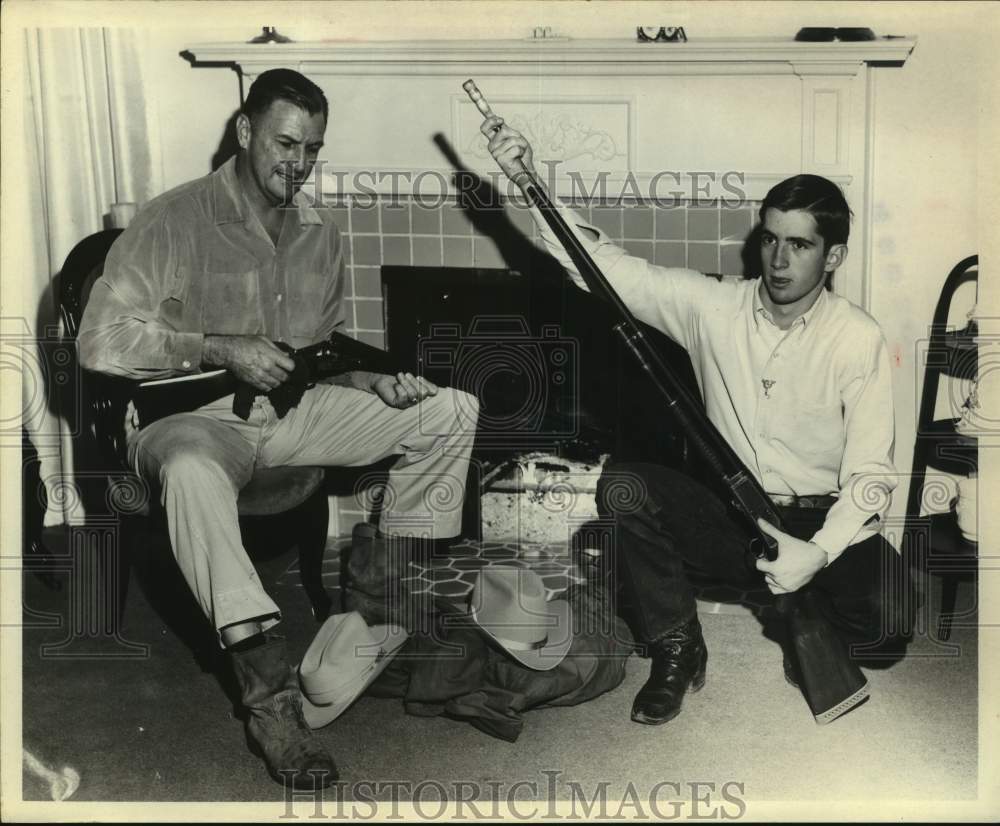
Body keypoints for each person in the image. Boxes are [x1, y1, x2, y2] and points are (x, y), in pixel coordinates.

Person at [78, 69, 479, 787]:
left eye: (312, 149)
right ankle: (272, 705)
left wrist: (375, 381)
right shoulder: (175, 219)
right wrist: (217, 346)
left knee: (449, 410)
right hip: (190, 422)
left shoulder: (319, 233)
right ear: (244, 131)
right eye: (285, 142)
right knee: (195, 476)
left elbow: (318, 355)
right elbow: (100, 342)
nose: (296, 164)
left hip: (288, 415)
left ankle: (375, 616)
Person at [482, 116, 913, 726]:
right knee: (622, 486)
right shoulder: (712, 305)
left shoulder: (858, 338)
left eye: (800, 244)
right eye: (769, 240)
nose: (778, 260)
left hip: (821, 516)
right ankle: (678, 645)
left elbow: (871, 476)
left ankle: (805, 617)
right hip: (736, 517)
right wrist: (529, 182)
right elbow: (601, 266)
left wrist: (813, 554)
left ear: (835, 254)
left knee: (891, 615)